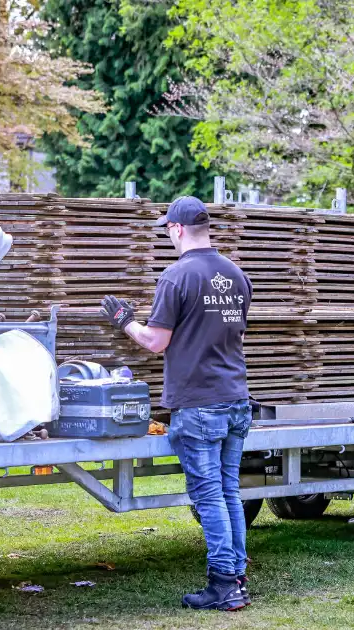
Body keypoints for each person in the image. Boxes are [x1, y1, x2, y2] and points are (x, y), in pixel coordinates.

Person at [100, 196, 254, 610]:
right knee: (228, 492)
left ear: (177, 229)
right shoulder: (237, 276)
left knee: (208, 496)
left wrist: (125, 322)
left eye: (167, 229)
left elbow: (156, 341)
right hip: (237, 399)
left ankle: (223, 584)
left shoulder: (176, 277)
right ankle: (237, 577)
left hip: (199, 405)